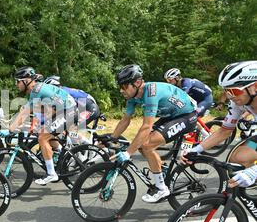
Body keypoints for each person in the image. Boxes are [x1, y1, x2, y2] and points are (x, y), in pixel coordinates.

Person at [110, 64, 197, 203]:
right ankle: (161, 170)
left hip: (187, 116)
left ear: (137, 83)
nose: (121, 90)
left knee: (147, 145)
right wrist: (112, 138)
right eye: (120, 87)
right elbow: (125, 120)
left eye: (124, 86)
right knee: (141, 145)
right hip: (172, 116)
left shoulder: (151, 93)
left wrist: (127, 153)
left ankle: (162, 189)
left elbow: (146, 126)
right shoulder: (132, 97)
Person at [181, 61, 257, 188]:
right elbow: (224, 131)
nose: (230, 96)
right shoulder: (238, 102)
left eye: (234, 91)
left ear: (254, 87)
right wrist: (196, 149)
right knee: (238, 158)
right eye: (227, 91)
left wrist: (254, 172)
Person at [0, 66, 77, 185]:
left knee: (42, 137)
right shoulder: (35, 90)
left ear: (26, 81)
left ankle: (52, 174)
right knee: (40, 130)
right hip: (62, 110)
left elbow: (25, 112)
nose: (16, 84)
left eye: (18, 81)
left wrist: (10, 130)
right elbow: (34, 111)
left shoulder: (36, 91)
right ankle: (61, 153)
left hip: (68, 112)